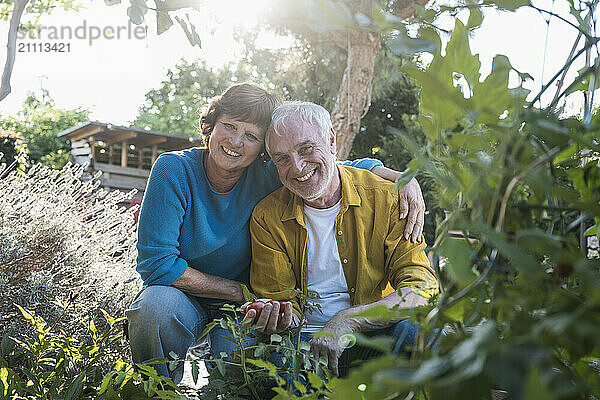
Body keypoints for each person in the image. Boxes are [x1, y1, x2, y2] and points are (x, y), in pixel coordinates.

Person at [125, 83, 427, 384]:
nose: (235, 141)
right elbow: (157, 265)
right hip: (189, 293)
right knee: (155, 307)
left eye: (252, 136)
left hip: (246, 307)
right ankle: (157, 390)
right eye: (229, 126)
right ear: (212, 124)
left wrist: (395, 176)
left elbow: (324, 167)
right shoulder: (175, 170)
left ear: (261, 150)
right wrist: (239, 291)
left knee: (233, 354)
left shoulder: (271, 171)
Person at [247, 101, 439, 377]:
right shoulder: (267, 217)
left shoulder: (387, 198)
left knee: (422, 335)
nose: (298, 167)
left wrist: (348, 321)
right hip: (304, 344)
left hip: (374, 333)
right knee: (272, 366)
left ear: (331, 140)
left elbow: (421, 290)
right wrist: (278, 318)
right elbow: (281, 301)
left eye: (306, 149)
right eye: (282, 158)